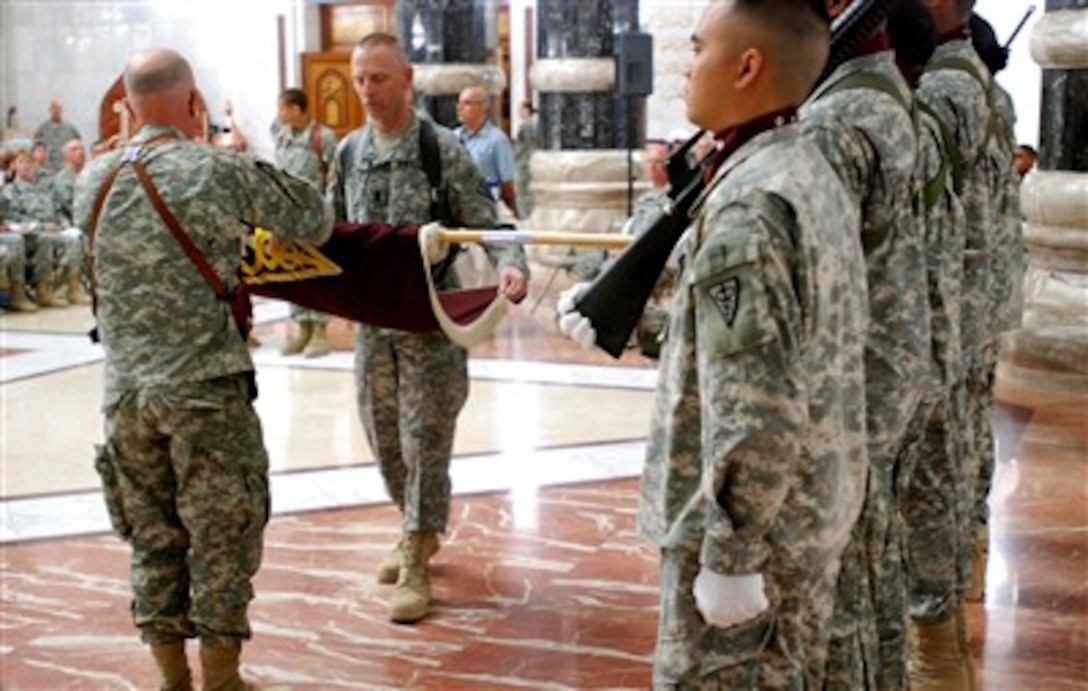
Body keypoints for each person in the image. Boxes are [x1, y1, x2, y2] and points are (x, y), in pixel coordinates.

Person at [563, 1, 868, 685]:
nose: (685, 67)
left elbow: (755, 402)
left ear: (747, 65)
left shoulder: (749, 207)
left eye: (698, 48)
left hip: (752, 538)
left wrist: (731, 552)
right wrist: (634, 323)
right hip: (805, 513)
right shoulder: (804, 169)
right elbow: (786, 345)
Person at [72, 47, 331, 691]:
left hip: (126, 396)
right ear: (194, 103)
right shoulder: (214, 170)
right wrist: (236, 151)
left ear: (127, 106)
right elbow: (313, 218)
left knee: (152, 536)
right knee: (221, 534)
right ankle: (221, 680)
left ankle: (169, 677)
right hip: (205, 392)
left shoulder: (90, 182)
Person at [332, 32, 528, 625]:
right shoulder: (348, 152)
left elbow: (487, 222)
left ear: (407, 75)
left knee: (425, 438)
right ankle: (413, 526)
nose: (368, 90)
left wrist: (511, 266)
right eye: (360, 79)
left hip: (430, 319)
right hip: (376, 321)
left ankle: (417, 549)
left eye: (379, 78)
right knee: (383, 436)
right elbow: (330, 230)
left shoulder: (439, 149)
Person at [799, 2, 931, 687]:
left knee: (839, 603)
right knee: (875, 575)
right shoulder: (873, 92)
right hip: (883, 372)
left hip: (845, 394)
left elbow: (800, 287)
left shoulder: (836, 119)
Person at [906, 0, 1000, 686]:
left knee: (934, 470)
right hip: (959, 305)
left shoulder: (948, 84)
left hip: (944, 311)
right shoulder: (961, 74)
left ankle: (938, 648)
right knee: (953, 453)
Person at [272, 87, 339, 358]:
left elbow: (335, 174)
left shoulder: (323, 137)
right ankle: (302, 327)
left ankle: (320, 332)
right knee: (293, 271)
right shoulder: (282, 136)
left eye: (283, 108)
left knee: (316, 269)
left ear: (297, 109)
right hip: (288, 214)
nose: (280, 113)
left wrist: (330, 211)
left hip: (314, 213)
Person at [453, 85, 520, 219]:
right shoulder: (453, 137)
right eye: (459, 103)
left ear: (482, 107)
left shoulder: (497, 140)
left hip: (484, 209)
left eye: (466, 103)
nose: (459, 108)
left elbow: (508, 184)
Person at [34, 100, 81, 175]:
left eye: (58, 108)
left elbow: (79, 146)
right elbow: (36, 149)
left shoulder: (71, 129)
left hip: (66, 167)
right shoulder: (42, 129)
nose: (56, 111)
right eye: (54, 108)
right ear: (50, 110)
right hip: (48, 168)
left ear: (62, 110)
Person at [50, 138, 87, 224]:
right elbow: (69, 206)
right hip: (72, 221)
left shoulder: (92, 173)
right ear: (66, 156)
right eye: (74, 150)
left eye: (82, 149)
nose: (80, 152)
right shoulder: (62, 179)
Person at [513, 100, 537, 218]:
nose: (519, 113)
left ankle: (525, 215)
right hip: (532, 161)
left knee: (522, 191)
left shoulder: (526, 126)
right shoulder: (536, 124)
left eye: (520, 110)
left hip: (524, 162)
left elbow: (521, 147)